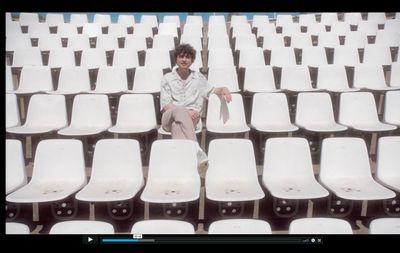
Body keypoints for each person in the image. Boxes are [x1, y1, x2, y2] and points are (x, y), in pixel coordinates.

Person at [160, 43, 232, 169]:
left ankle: (182, 166)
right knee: (179, 112)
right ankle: (196, 147)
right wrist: (186, 112)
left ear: (192, 60)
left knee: (177, 126)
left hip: (191, 120)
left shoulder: (198, 78)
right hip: (169, 116)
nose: (184, 60)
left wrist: (224, 89)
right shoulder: (167, 78)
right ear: (176, 58)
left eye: (187, 57)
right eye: (181, 56)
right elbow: (166, 105)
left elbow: (212, 90)